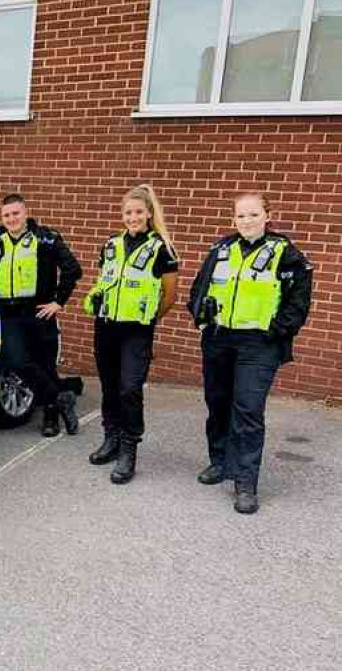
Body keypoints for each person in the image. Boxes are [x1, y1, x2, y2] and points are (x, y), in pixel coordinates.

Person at [187, 192, 312, 515]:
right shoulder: (221, 249)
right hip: (218, 339)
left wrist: (276, 331)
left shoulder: (285, 253)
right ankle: (219, 461)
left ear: (267, 215)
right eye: (241, 216)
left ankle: (245, 481)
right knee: (217, 402)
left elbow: (299, 300)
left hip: (259, 344)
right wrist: (201, 319)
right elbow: (199, 288)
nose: (246, 221)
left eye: (253, 214)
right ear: (233, 219)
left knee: (248, 409)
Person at [0, 193, 83, 437]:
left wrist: (58, 301)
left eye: (16, 213)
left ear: (25, 213)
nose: (11, 219)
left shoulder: (46, 238)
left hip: (39, 311)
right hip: (10, 313)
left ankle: (51, 416)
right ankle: (61, 398)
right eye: (6, 215)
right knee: (17, 360)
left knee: (45, 364)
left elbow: (73, 269)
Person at [83, 184, 179, 484]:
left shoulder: (162, 248)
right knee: (110, 387)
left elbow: (170, 295)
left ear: (149, 213)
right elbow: (104, 282)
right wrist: (95, 298)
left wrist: (147, 321)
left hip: (136, 331)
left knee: (130, 389)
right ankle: (110, 438)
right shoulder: (110, 244)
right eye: (128, 212)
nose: (133, 217)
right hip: (106, 327)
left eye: (138, 212)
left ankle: (128, 449)